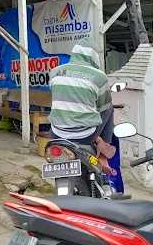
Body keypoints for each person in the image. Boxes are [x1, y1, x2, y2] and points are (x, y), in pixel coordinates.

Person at [49, 41, 117, 176]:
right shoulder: (99, 76)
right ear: (93, 57)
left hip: (57, 132)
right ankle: (103, 155)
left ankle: (97, 142)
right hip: (85, 135)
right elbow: (102, 108)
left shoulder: (55, 72)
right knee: (109, 109)